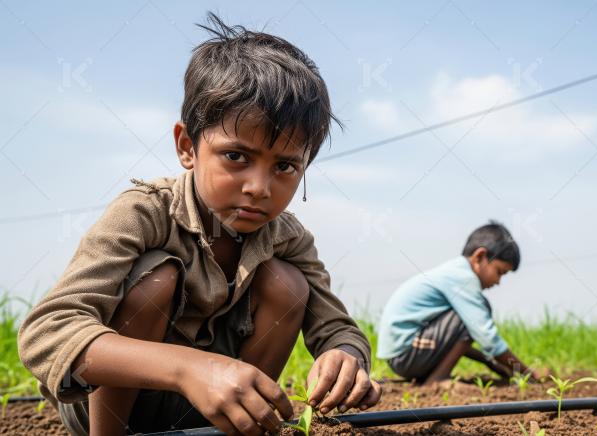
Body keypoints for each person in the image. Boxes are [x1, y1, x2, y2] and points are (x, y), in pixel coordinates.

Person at [17, 13, 380, 435]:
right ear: (187, 146)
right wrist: (188, 369)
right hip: (113, 407)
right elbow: (48, 330)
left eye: (284, 165)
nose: (259, 188)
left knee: (288, 284)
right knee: (156, 277)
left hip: (216, 408)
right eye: (236, 156)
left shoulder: (288, 238)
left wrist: (346, 358)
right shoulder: (143, 212)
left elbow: (336, 327)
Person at [377, 221, 548, 385]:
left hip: (403, 356)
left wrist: (492, 363)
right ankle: (438, 379)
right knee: (475, 316)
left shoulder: (455, 273)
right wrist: (529, 374)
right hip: (407, 355)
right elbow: (488, 338)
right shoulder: (463, 279)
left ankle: (437, 376)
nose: (498, 281)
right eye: (499, 272)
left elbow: (453, 340)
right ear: (479, 256)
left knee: (471, 316)